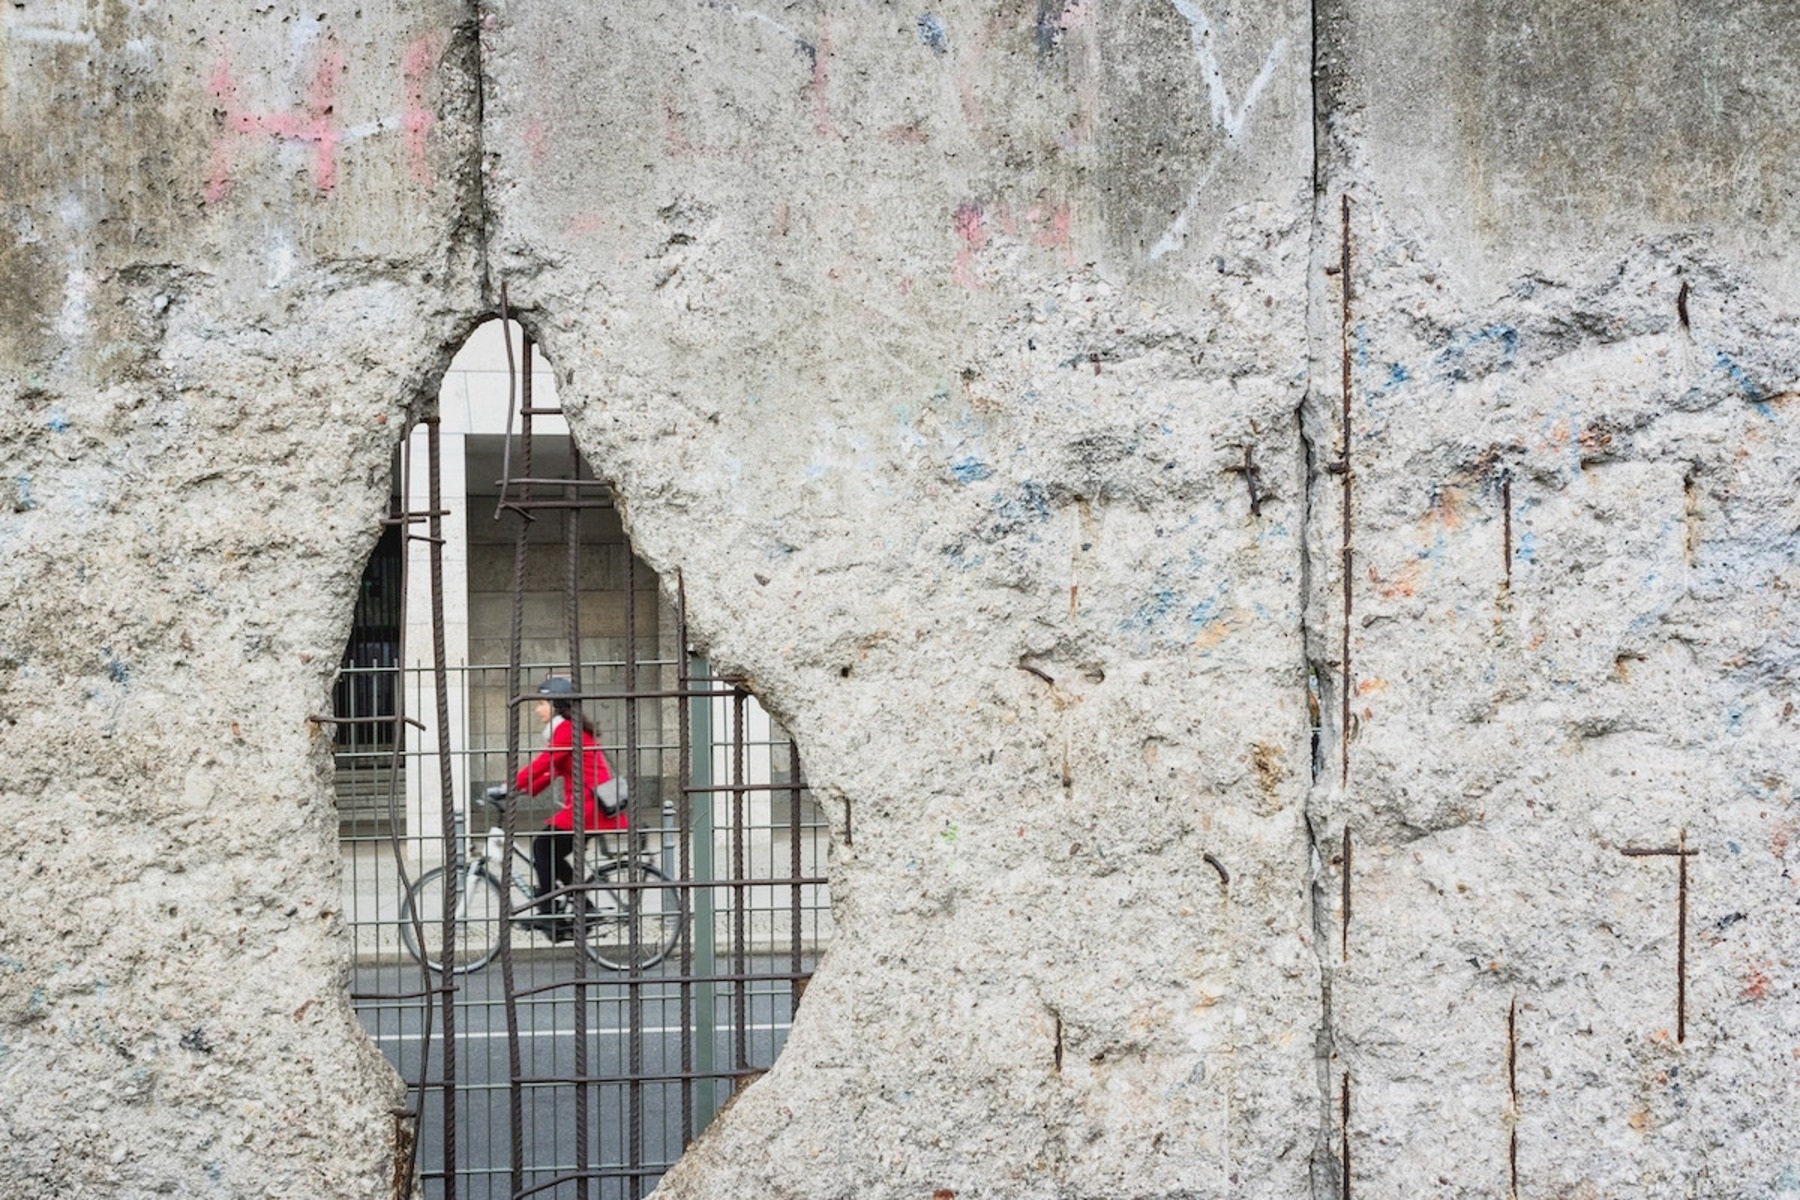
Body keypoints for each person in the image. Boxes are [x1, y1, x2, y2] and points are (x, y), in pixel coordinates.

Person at [513, 675, 626, 937]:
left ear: (555, 704)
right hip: (586, 807)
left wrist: (510, 785)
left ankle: (548, 911)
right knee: (550, 852)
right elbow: (552, 769)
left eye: (541, 703)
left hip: (588, 808)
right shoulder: (566, 729)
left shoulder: (566, 729)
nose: (537, 708)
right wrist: (522, 790)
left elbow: (543, 763)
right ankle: (581, 907)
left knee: (543, 847)